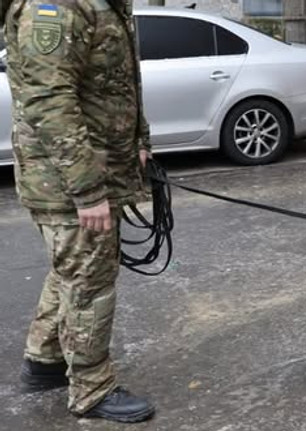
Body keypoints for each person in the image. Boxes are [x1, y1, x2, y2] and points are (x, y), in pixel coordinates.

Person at [2, 0, 155, 423]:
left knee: (70, 270)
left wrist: (140, 140)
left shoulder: (103, 4)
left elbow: (118, 83)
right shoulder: (55, 7)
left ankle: (45, 360)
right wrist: (87, 191)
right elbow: (48, 101)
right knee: (89, 280)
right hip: (67, 181)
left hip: (95, 168)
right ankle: (91, 388)